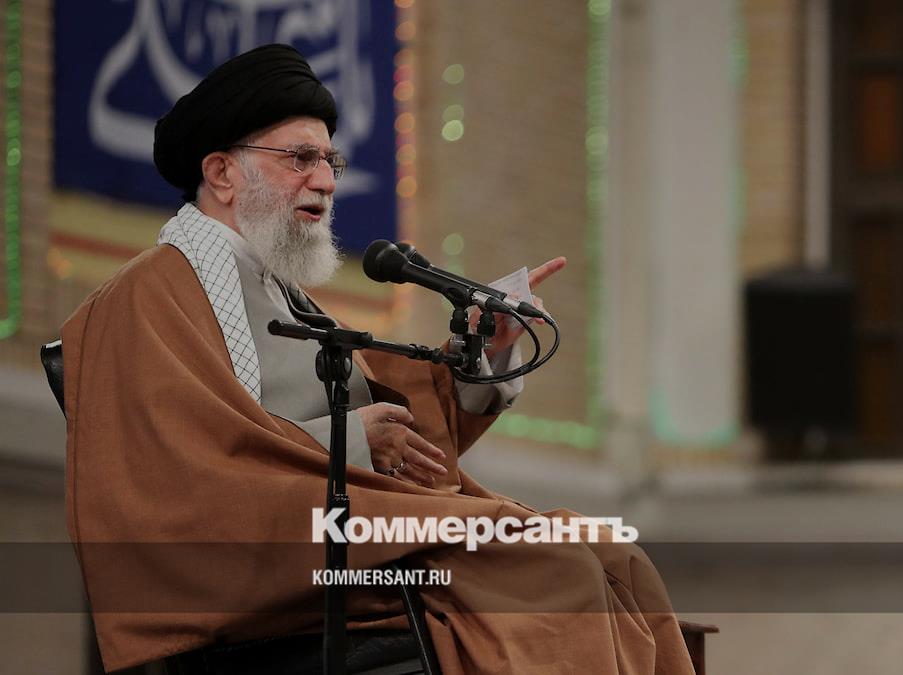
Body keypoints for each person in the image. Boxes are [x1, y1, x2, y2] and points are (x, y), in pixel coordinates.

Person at [62, 44, 694, 673]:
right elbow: (173, 479)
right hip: (268, 555)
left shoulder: (278, 288)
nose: (326, 181)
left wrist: (484, 348)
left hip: (347, 531)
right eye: (300, 158)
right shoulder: (146, 295)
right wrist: (353, 441)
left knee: (613, 557)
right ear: (223, 173)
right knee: (555, 568)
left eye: (330, 161)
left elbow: (391, 406)